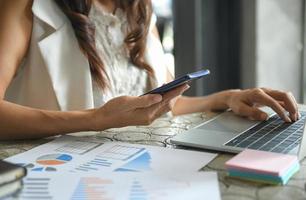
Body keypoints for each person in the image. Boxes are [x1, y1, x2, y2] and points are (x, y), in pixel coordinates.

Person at [0, 0, 299, 140]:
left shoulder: (140, 10)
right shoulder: (25, 6)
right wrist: (94, 120)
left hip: (136, 168)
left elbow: (159, 106)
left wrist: (228, 98)